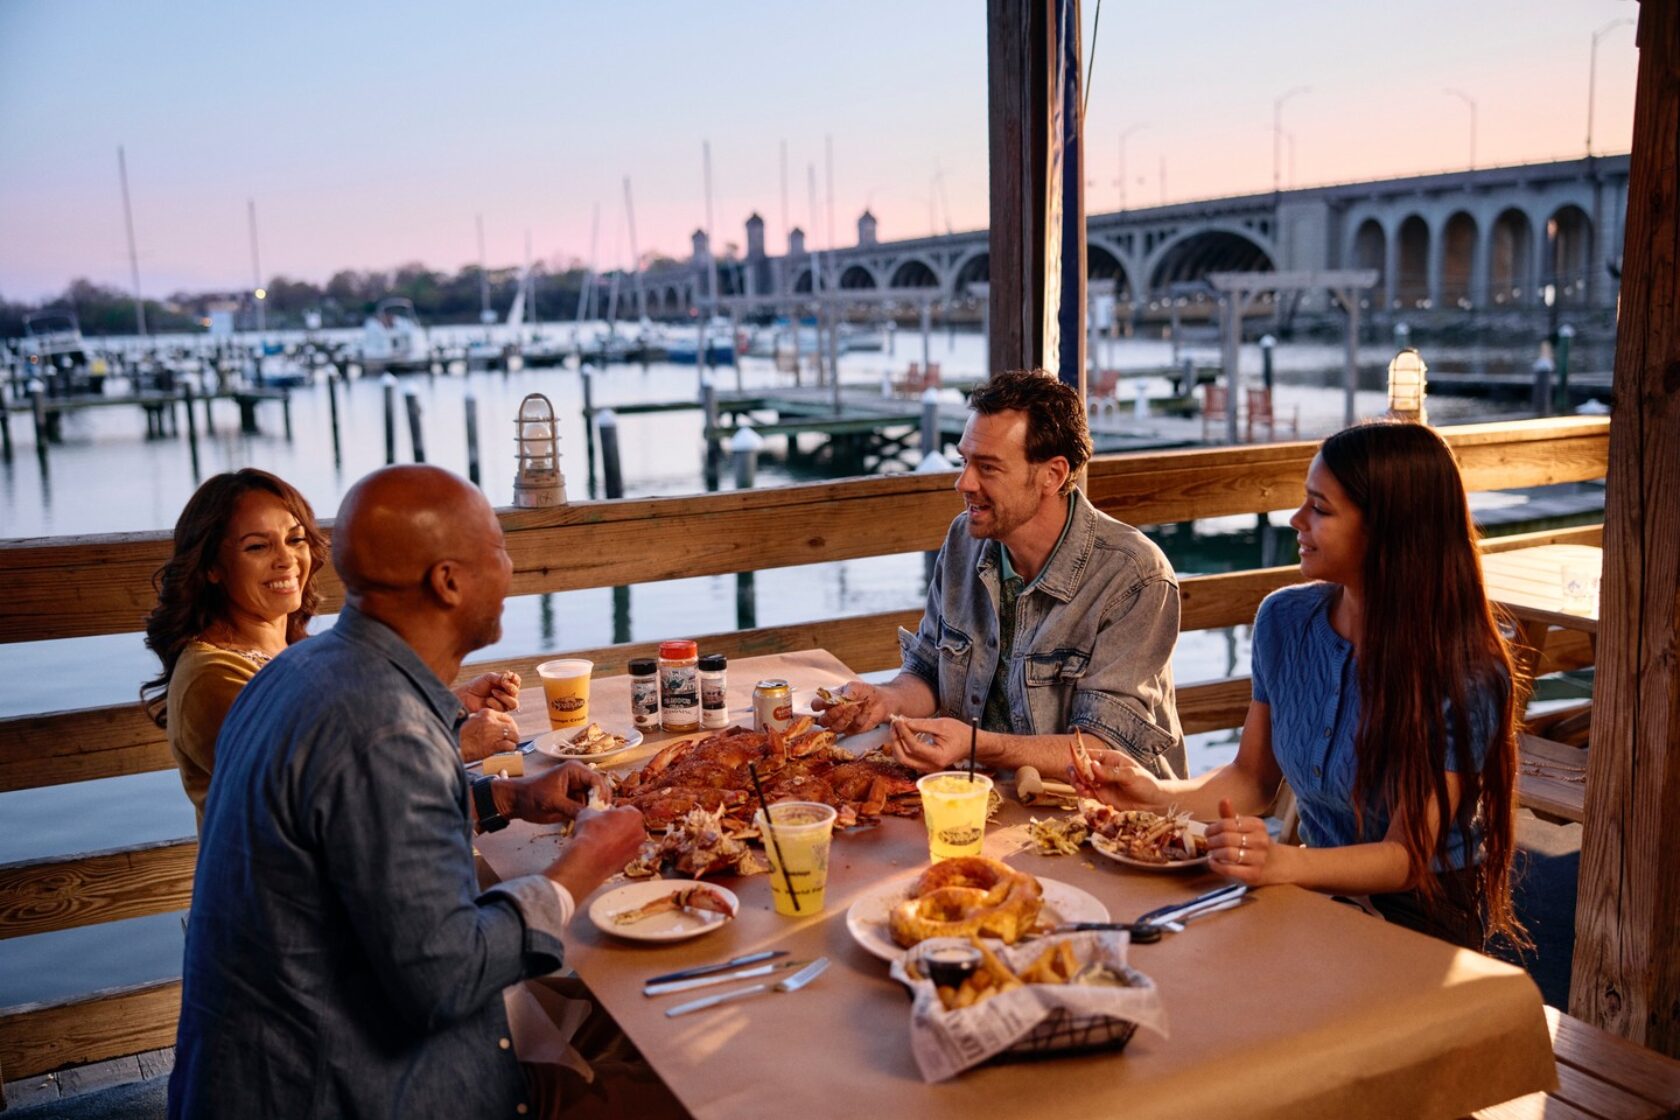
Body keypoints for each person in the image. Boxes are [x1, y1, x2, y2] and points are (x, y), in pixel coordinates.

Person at [169, 465, 652, 1119]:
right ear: (448, 582)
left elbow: (365, 826)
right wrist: (580, 868)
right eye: (499, 550)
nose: (511, 568)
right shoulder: (384, 728)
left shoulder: (300, 670)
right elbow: (445, 978)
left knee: (628, 1023)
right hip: (345, 1090)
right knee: (703, 1090)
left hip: (282, 1062)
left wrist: (507, 797)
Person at [1073, 421, 1527, 950]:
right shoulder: (1283, 620)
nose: (1296, 519)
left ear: (1389, 531)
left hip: (1420, 916)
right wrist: (1152, 795)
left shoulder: (1466, 672)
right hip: (1314, 891)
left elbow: (1405, 858)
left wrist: (1283, 863)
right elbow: (1252, 780)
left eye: (1320, 509)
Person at [817, 368, 1185, 778]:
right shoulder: (964, 538)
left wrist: (978, 746)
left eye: (988, 468)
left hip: (1104, 808)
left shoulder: (1134, 575)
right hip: (984, 790)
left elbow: (1104, 750)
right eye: (964, 461)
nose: (963, 482)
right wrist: (884, 699)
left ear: (1052, 475)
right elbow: (927, 670)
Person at [142, 468, 522, 831]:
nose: (286, 560)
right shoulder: (210, 678)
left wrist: (448, 706)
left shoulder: (293, 650)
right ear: (212, 566)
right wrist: (455, 744)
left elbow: (354, 740)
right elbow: (322, 791)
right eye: (257, 546)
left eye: (296, 539)